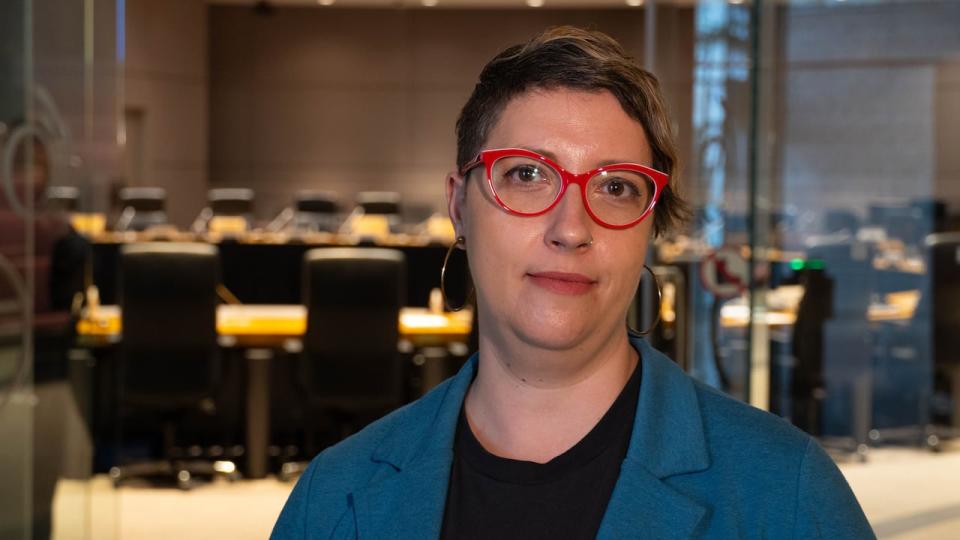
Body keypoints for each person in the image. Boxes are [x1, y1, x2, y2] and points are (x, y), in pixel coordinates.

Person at [272, 26, 874, 539]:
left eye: (616, 187)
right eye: (528, 174)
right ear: (459, 206)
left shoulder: (788, 494)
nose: (571, 227)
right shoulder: (334, 499)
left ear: (650, 227)